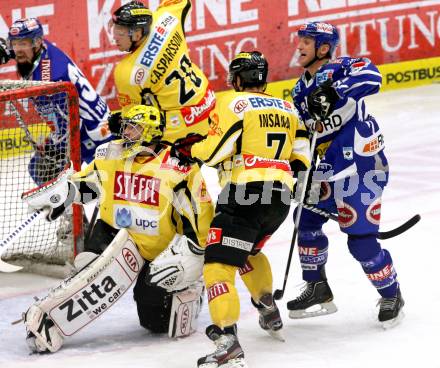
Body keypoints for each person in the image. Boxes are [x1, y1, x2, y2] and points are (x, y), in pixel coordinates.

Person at [20, 104, 214, 353]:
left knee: (154, 322)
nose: (126, 133)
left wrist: (190, 261)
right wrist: (64, 194)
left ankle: (190, 290)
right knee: (89, 269)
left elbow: (200, 221)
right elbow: (88, 185)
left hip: (161, 251)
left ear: (151, 131)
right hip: (116, 234)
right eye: (126, 127)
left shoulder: (179, 168)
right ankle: (52, 321)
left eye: (133, 128)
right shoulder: (111, 155)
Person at [175, 51, 311, 367]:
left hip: (246, 193)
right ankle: (267, 306)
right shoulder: (288, 108)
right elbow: (301, 156)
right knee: (246, 251)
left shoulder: (235, 103)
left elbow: (214, 150)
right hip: (278, 198)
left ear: (238, 79)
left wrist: (191, 149)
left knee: (217, 264)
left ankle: (227, 340)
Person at [286, 21, 404, 327]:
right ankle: (317, 287)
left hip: (361, 167)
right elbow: (304, 133)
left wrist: (333, 89)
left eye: (306, 42)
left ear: (323, 48)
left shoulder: (343, 66)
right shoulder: (299, 89)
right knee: (305, 219)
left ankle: (392, 293)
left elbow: (373, 76)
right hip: (325, 169)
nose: (299, 46)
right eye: (299, 40)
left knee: (360, 243)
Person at [0, 18, 113, 185]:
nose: (17, 50)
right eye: (14, 44)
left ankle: (76, 207)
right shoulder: (40, 49)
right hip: (86, 123)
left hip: (92, 133)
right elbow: (20, 49)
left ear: (37, 42)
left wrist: (54, 149)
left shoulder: (48, 82)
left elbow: (67, 127)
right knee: (41, 170)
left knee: (100, 188)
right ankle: (73, 209)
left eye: (22, 43)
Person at [108, 0, 215, 146]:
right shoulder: (166, 17)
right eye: (114, 29)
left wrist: (118, 122)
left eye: (120, 32)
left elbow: (134, 123)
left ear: (138, 34)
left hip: (182, 128)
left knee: (126, 148)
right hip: (209, 102)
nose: (114, 37)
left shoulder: (126, 72)